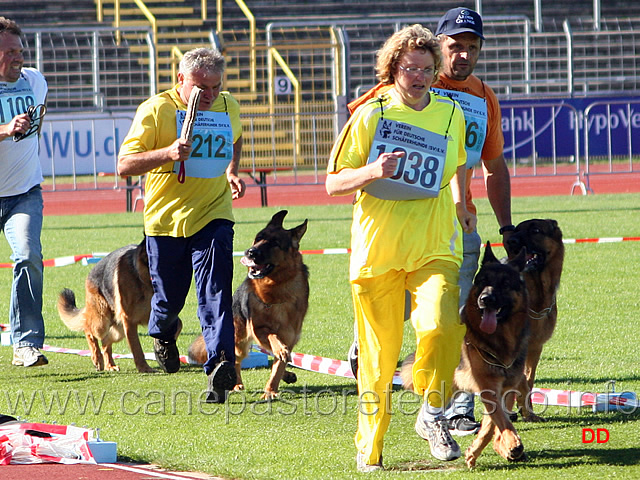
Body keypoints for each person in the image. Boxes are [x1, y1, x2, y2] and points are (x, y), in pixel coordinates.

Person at [346, 7, 514, 437]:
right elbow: (361, 124)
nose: (463, 55)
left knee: (456, 317)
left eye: (471, 47)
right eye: (455, 45)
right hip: (392, 229)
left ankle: (452, 408)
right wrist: (370, 175)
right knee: (398, 312)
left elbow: (493, 167)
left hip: (454, 226)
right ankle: (365, 349)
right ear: (439, 45)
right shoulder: (411, 81)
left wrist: (506, 227)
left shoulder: (482, 98)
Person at [326, 24, 476, 471]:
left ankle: (432, 397)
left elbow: (460, 163)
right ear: (393, 69)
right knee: (377, 359)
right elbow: (334, 183)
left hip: (434, 247)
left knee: (442, 328)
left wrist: (463, 204)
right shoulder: (372, 114)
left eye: (427, 69)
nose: (419, 76)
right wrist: (373, 170)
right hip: (378, 253)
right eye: (410, 68)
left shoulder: (451, 113)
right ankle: (369, 449)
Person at [118, 48, 246, 403]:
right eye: (200, 87)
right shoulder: (157, 109)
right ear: (181, 80)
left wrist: (232, 170)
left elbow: (235, 137)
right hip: (166, 222)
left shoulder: (227, 106)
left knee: (216, 290)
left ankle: (220, 367)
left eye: (215, 87)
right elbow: (124, 165)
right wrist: (168, 153)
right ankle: (162, 329)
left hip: (213, 213)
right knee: (170, 297)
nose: (209, 95)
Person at [0, 17, 49, 368]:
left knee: (29, 256)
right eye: (9, 52)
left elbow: (37, 127)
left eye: (20, 50)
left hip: (24, 193)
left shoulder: (36, 81)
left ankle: (26, 344)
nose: (18, 57)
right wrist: (5, 129)